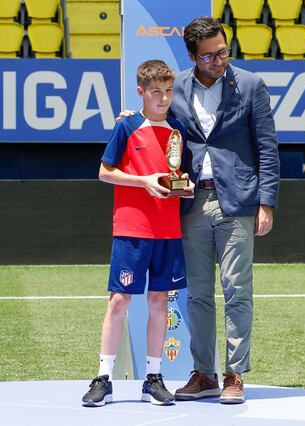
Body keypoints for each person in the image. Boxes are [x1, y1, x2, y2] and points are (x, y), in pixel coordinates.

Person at [118, 16, 280, 405]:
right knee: (197, 296)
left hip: (238, 200)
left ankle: (235, 374)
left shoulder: (252, 85)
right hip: (189, 202)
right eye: (210, 56)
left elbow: (268, 148)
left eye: (224, 51)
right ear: (193, 56)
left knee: (237, 290)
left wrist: (267, 202)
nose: (220, 59)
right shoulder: (177, 86)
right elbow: (154, 115)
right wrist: (130, 119)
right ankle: (204, 373)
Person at [82, 59, 194, 407]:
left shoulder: (178, 131)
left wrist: (184, 187)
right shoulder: (127, 127)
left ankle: (153, 378)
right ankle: (103, 378)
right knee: (119, 302)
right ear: (141, 92)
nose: (163, 99)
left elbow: (183, 178)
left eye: (168, 91)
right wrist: (143, 181)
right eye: (156, 92)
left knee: (160, 302)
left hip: (168, 231)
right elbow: (104, 172)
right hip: (131, 229)